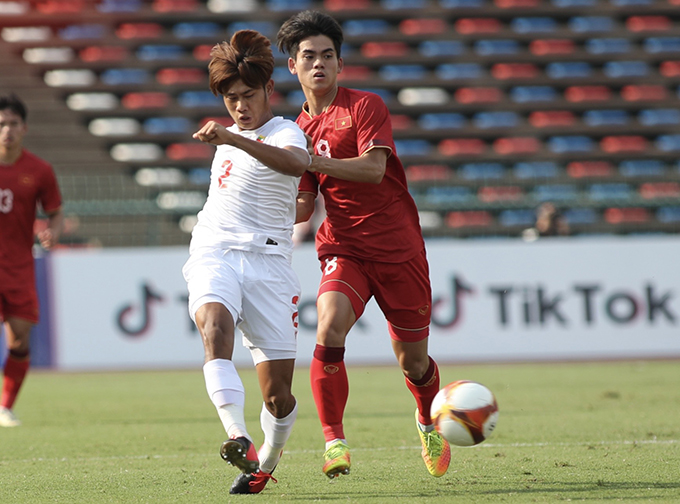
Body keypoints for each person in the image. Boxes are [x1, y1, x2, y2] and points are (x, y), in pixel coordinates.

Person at [276, 11, 451, 479]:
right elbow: (301, 206)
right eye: (308, 56)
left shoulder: (365, 106)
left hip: (399, 250)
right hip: (344, 247)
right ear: (292, 66)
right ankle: (334, 441)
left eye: (327, 56)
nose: (319, 64)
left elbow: (373, 170)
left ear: (340, 63)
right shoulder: (293, 133)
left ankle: (426, 419)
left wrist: (308, 159)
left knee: (413, 363)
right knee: (328, 328)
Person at [182, 30, 310, 494]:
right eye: (232, 98)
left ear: (268, 92)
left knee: (278, 397)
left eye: (248, 95)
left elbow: (296, 166)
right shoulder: (226, 139)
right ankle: (236, 434)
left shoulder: (284, 131)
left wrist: (236, 142)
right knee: (214, 328)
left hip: (270, 265)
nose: (240, 106)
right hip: (215, 250)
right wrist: (231, 141)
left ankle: (266, 463)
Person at [0, 93, 63, 427]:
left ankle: (5, 406)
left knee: (20, 339)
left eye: (12, 124)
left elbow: (55, 212)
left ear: (23, 128)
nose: (6, 130)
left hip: (19, 268)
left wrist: (51, 231)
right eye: (1, 124)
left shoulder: (39, 170)